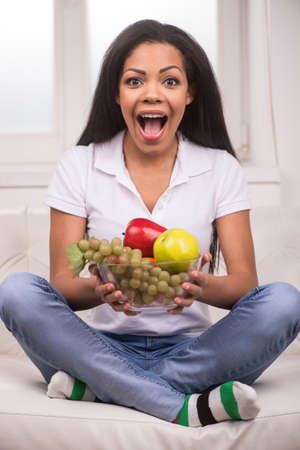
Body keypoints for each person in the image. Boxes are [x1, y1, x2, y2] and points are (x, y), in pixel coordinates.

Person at [0, 19, 300, 428]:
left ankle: (99, 390)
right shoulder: (80, 165)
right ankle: (179, 406)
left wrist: (201, 285)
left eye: (171, 82)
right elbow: (62, 284)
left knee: (284, 301)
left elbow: (245, 284)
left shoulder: (219, 169)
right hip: (96, 347)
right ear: (116, 93)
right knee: (17, 291)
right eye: (135, 81)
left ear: (191, 93)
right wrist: (102, 290)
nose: (153, 93)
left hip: (195, 350)